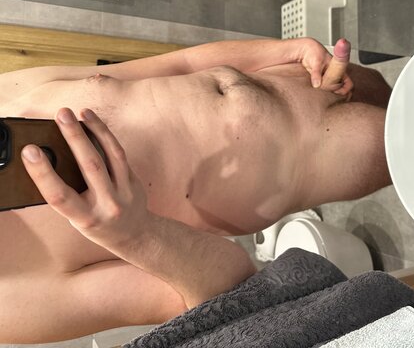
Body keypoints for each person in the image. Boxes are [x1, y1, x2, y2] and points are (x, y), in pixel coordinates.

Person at [0, 36, 392, 343]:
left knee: (408, 77)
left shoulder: (5, 90)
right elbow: (237, 295)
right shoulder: (7, 301)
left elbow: (179, 65)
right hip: (312, 157)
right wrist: (136, 234)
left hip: (293, 75)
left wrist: (284, 51)